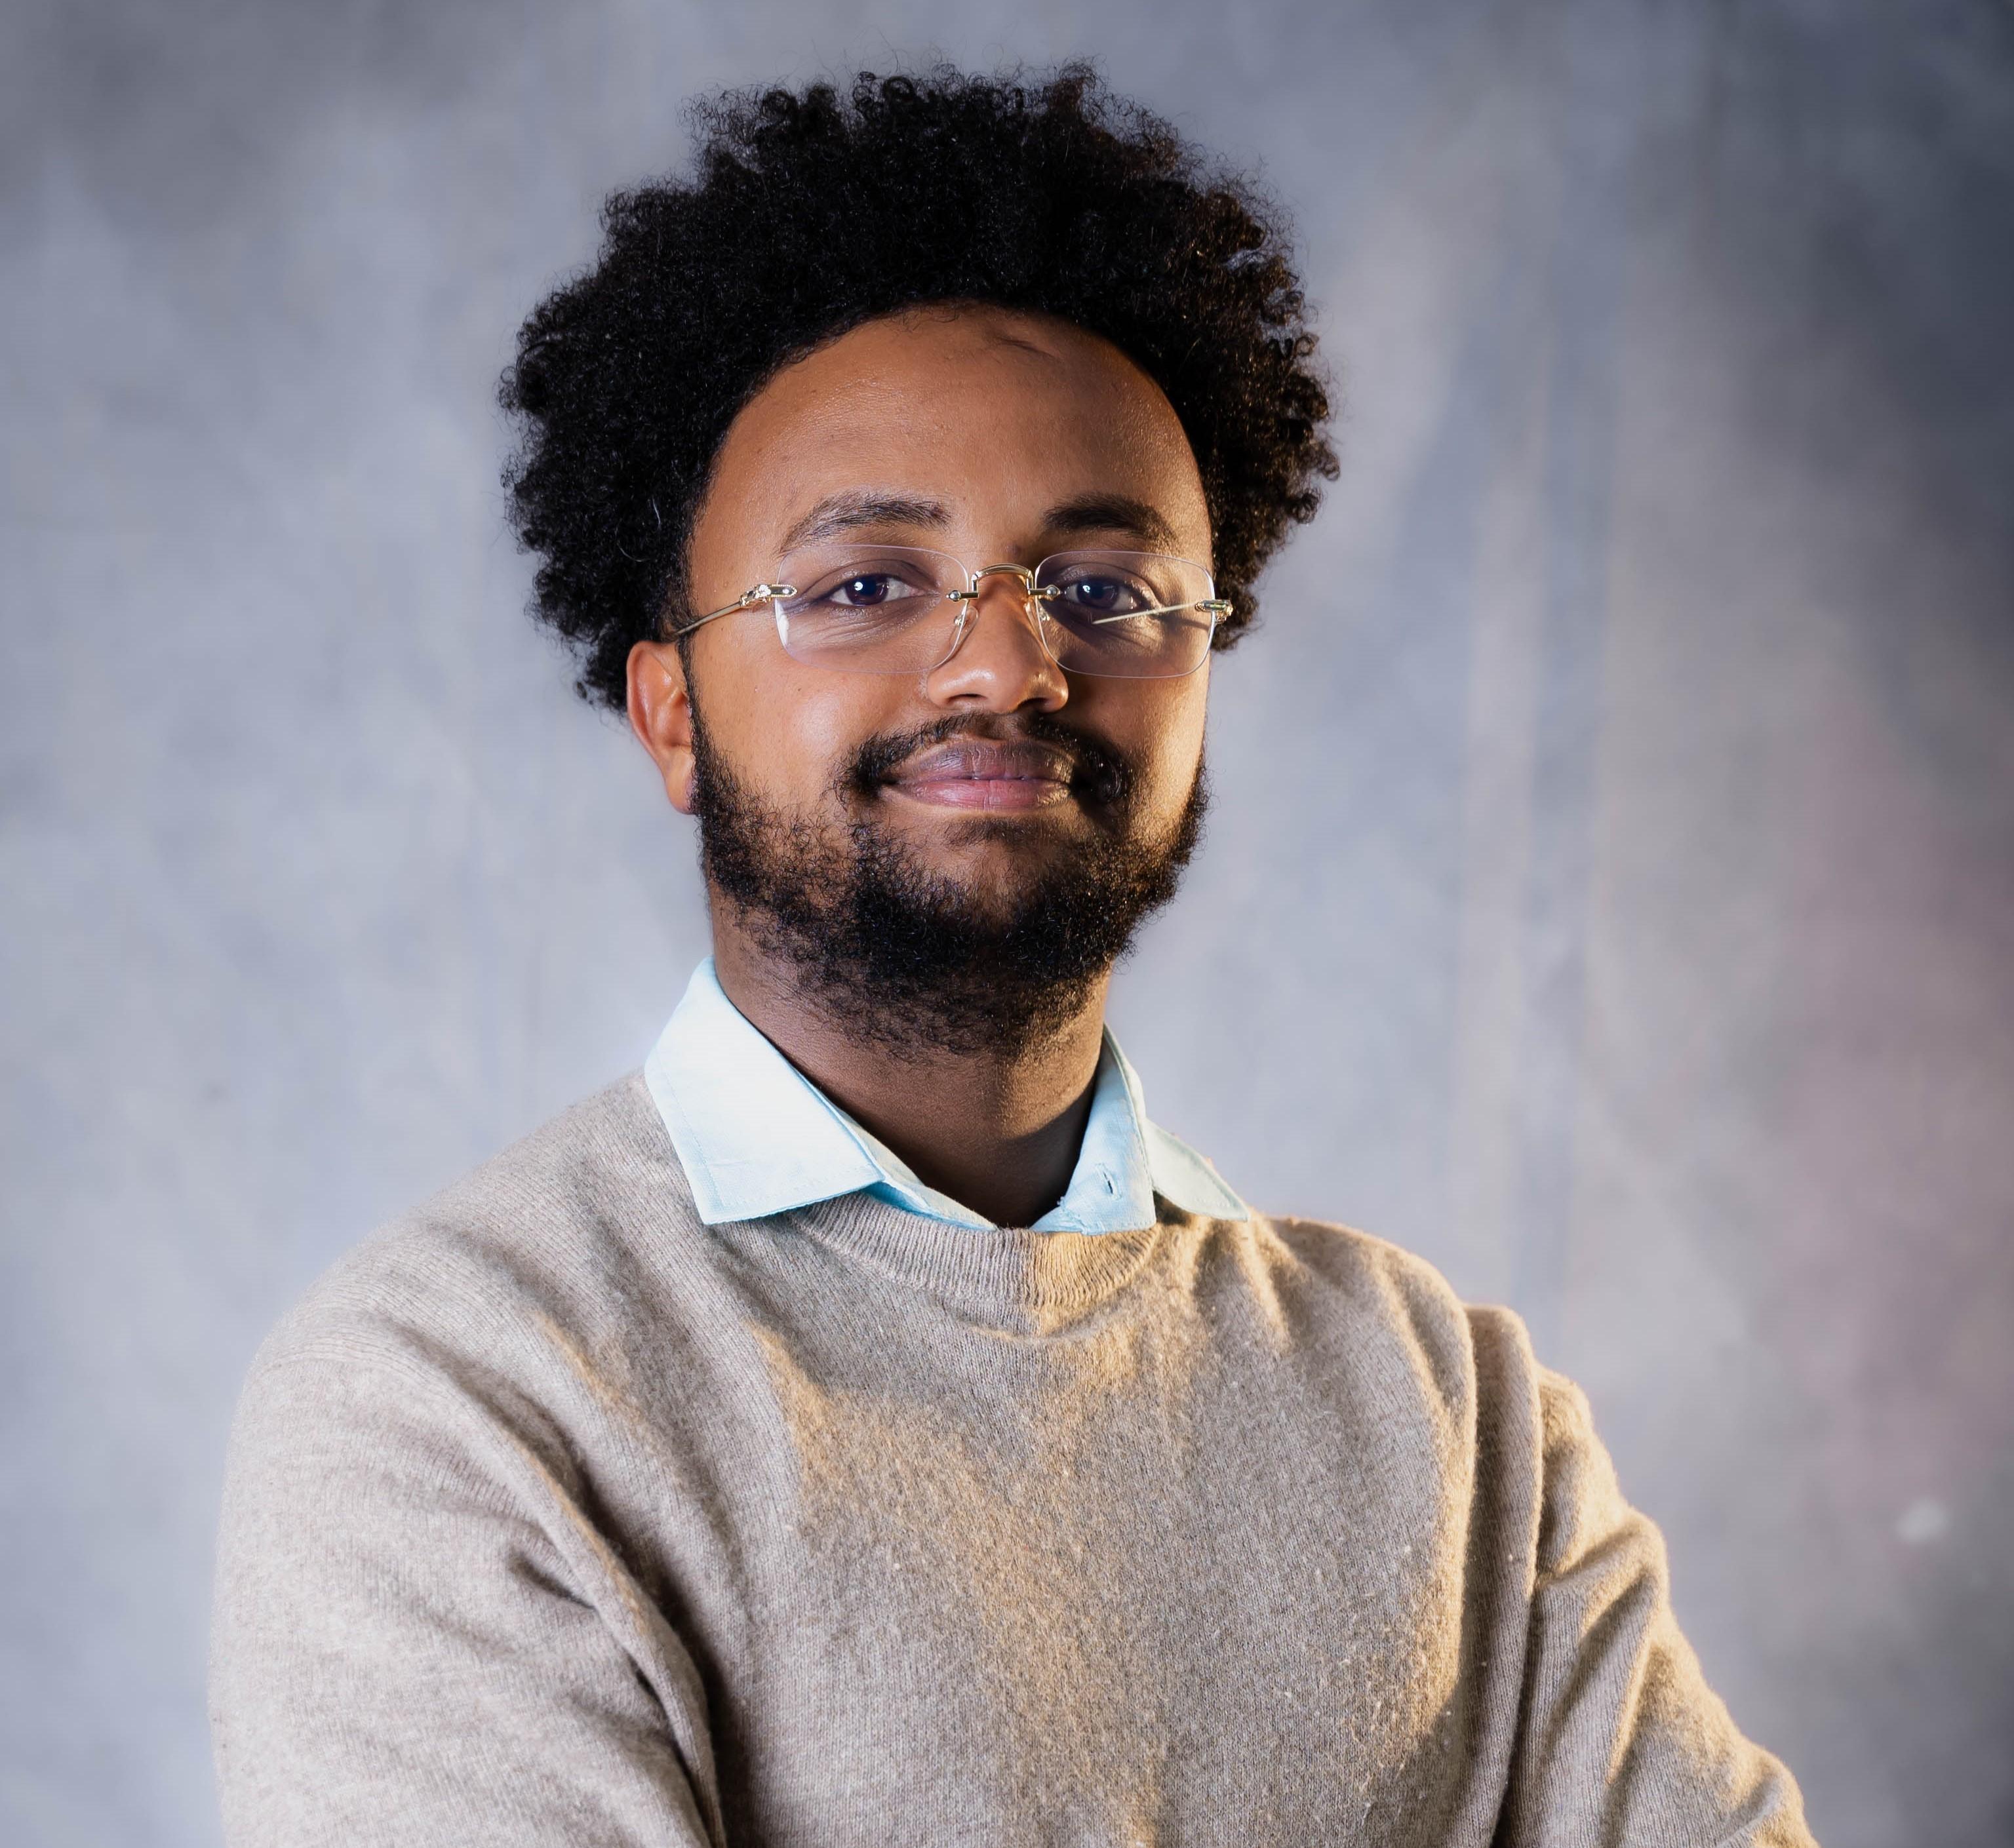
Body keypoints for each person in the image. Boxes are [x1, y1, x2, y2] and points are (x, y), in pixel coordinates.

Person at [208, 66, 1815, 1847]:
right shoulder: (465, 1396)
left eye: (1107, 590)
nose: (1004, 665)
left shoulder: (1451, 1414)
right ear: (672, 711)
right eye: (866, 582)